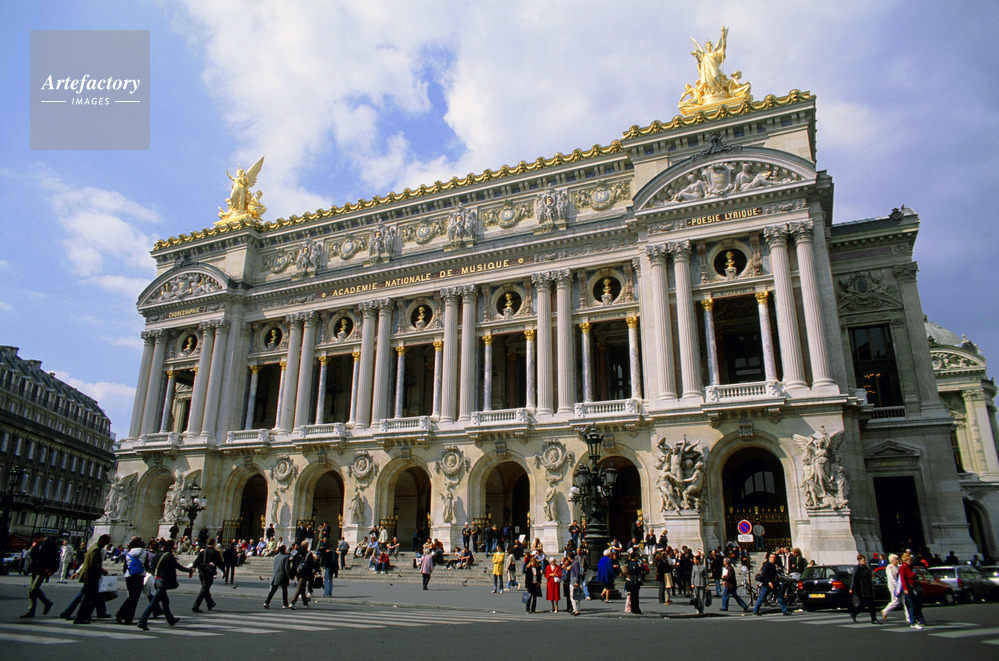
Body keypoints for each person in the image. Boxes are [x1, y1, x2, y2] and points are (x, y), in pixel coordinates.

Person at [137, 539, 193, 630]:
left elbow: (151, 567)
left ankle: (171, 620)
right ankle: (142, 621)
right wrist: (190, 570)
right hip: (164, 581)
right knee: (154, 602)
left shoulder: (158, 555)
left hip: (158, 579)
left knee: (165, 601)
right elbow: (178, 566)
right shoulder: (169, 556)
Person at [74, 534, 111, 625]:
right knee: (87, 598)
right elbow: (93, 564)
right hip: (91, 576)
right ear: (102, 540)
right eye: (107, 541)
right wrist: (103, 571)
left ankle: (87, 615)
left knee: (93, 597)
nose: (107, 543)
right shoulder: (95, 550)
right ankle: (79, 617)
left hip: (91, 576)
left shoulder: (93, 547)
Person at [21, 533, 58, 618]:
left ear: (40, 538)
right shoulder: (37, 545)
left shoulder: (50, 543)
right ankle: (31, 611)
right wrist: (33, 547)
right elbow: (33, 556)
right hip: (36, 568)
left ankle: (47, 602)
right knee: (31, 590)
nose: (34, 541)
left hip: (44, 569)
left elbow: (55, 557)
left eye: (35, 540)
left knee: (34, 589)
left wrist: (52, 569)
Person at [116, 539, 147, 624]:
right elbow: (146, 565)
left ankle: (125, 616)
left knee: (131, 596)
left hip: (129, 576)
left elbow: (125, 568)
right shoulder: (144, 553)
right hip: (139, 576)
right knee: (135, 598)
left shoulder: (128, 553)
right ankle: (125, 615)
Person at [192, 537, 223, 613]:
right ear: (214, 543)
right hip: (209, 573)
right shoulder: (215, 552)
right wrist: (224, 571)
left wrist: (191, 570)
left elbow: (196, 562)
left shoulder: (203, 552)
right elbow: (220, 563)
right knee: (204, 589)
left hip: (201, 572)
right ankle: (196, 606)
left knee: (205, 589)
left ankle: (210, 603)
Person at [898, 552, 926, 629]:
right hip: (908, 587)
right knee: (912, 605)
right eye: (910, 560)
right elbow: (902, 579)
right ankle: (913, 622)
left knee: (915, 604)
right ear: (906, 560)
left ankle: (916, 620)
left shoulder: (910, 567)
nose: (911, 561)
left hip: (914, 586)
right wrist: (905, 589)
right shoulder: (903, 567)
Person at [849, 554, 878, 623]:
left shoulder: (866, 568)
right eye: (863, 560)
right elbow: (854, 578)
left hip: (868, 589)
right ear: (859, 560)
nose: (865, 561)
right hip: (862, 589)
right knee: (862, 604)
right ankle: (854, 613)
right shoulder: (857, 568)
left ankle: (874, 619)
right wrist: (851, 588)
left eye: (865, 560)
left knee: (871, 604)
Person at [263, 544, 293, 609]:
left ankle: (267, 602)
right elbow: (287, 568)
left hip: (276, 574)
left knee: (273, 590)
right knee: (284, 590)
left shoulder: (277, 556)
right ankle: (285, 604)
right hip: (283, 575)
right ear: (284, 550)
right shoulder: (286, 557)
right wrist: (289, 576)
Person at [290, 541, 315, 608]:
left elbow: (294, 563)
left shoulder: (297, 553)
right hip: (304, 573)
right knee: (300, 587)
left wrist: (293, 573)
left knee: (302, 588)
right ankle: (292, 602)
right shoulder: (308, 554)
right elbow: (311, 564)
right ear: (307, 546)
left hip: (297, 572)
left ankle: (305, 603)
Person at [881, 553, 905, 622]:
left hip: (900, 586)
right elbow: (891, 579)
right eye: (895, 559)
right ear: (891, 560)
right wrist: (897, 586)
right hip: (894, 587)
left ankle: (909, 618)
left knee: (904, 601)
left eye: (897, 559)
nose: (897, 561)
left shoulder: (898, 567)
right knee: (895, 601)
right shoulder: (889, 567)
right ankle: (885, 611)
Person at [627, 548, 646, 614]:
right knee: (635, 595)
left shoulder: (629, 563)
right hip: (635, 580)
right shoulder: (635, 563)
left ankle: (633, 608)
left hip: (631, 580)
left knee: (632, 595)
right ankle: (636, 609)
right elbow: (637, 571)